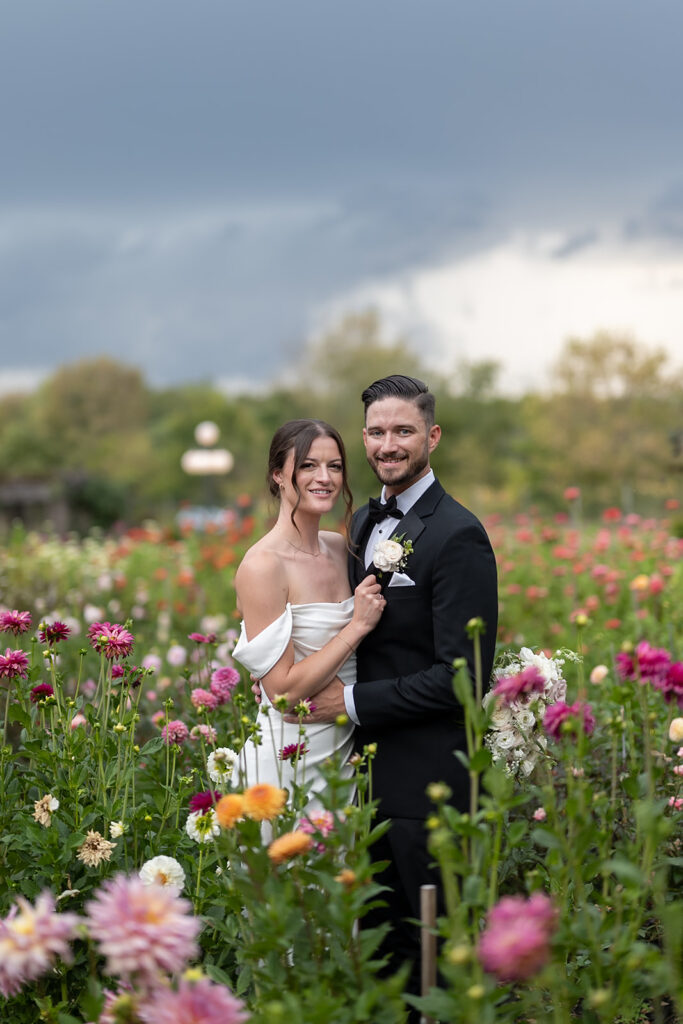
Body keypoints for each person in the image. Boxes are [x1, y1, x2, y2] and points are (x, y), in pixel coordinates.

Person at [294, 375, 499, 1017]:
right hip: (361, 781)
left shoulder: (458, 535)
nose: (389, 444)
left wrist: (351, 705)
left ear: (431, 436)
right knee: (380, 965)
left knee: (432, 965)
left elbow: (463, 677)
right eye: (378, 432)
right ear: (364, 438)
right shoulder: (361, 521)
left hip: (427, 789)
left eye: (404, 431)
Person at [232, 418, 385, 820]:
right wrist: (356, 627)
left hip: (343, 759)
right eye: (308, 466)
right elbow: (281, 693)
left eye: (335, 466)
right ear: (279, 475)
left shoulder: (340, 548)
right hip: (288, 760)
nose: (325, 478)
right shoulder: (263, 565)